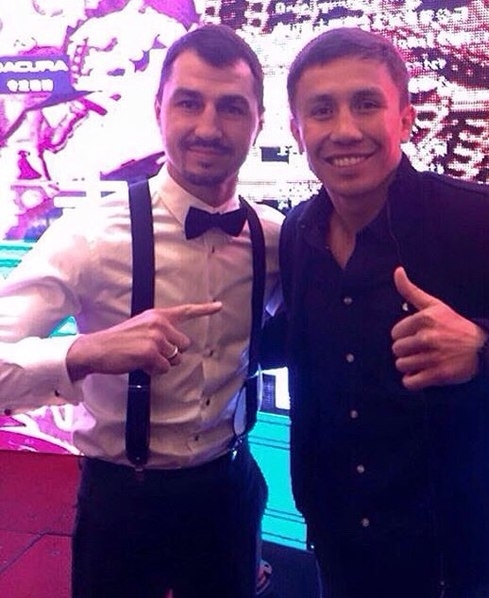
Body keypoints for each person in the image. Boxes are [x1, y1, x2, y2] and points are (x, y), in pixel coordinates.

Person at [272, 26, 489, 597]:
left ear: (405, 118)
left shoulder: (478, 219)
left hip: (464, 573)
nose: (344, 129)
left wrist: (486, 349)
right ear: (296, 130)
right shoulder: (299, 230)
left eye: (366, 104)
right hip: (341, 561)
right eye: (322, 110)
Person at [0, 24, 283, 598]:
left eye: (232, 107)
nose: (209, 127)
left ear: (260, 121)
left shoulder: (274, 236)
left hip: (231, 491)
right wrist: (85, 352)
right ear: (158, 111)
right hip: (121, 503)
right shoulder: (92, 235)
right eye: (189, 103)